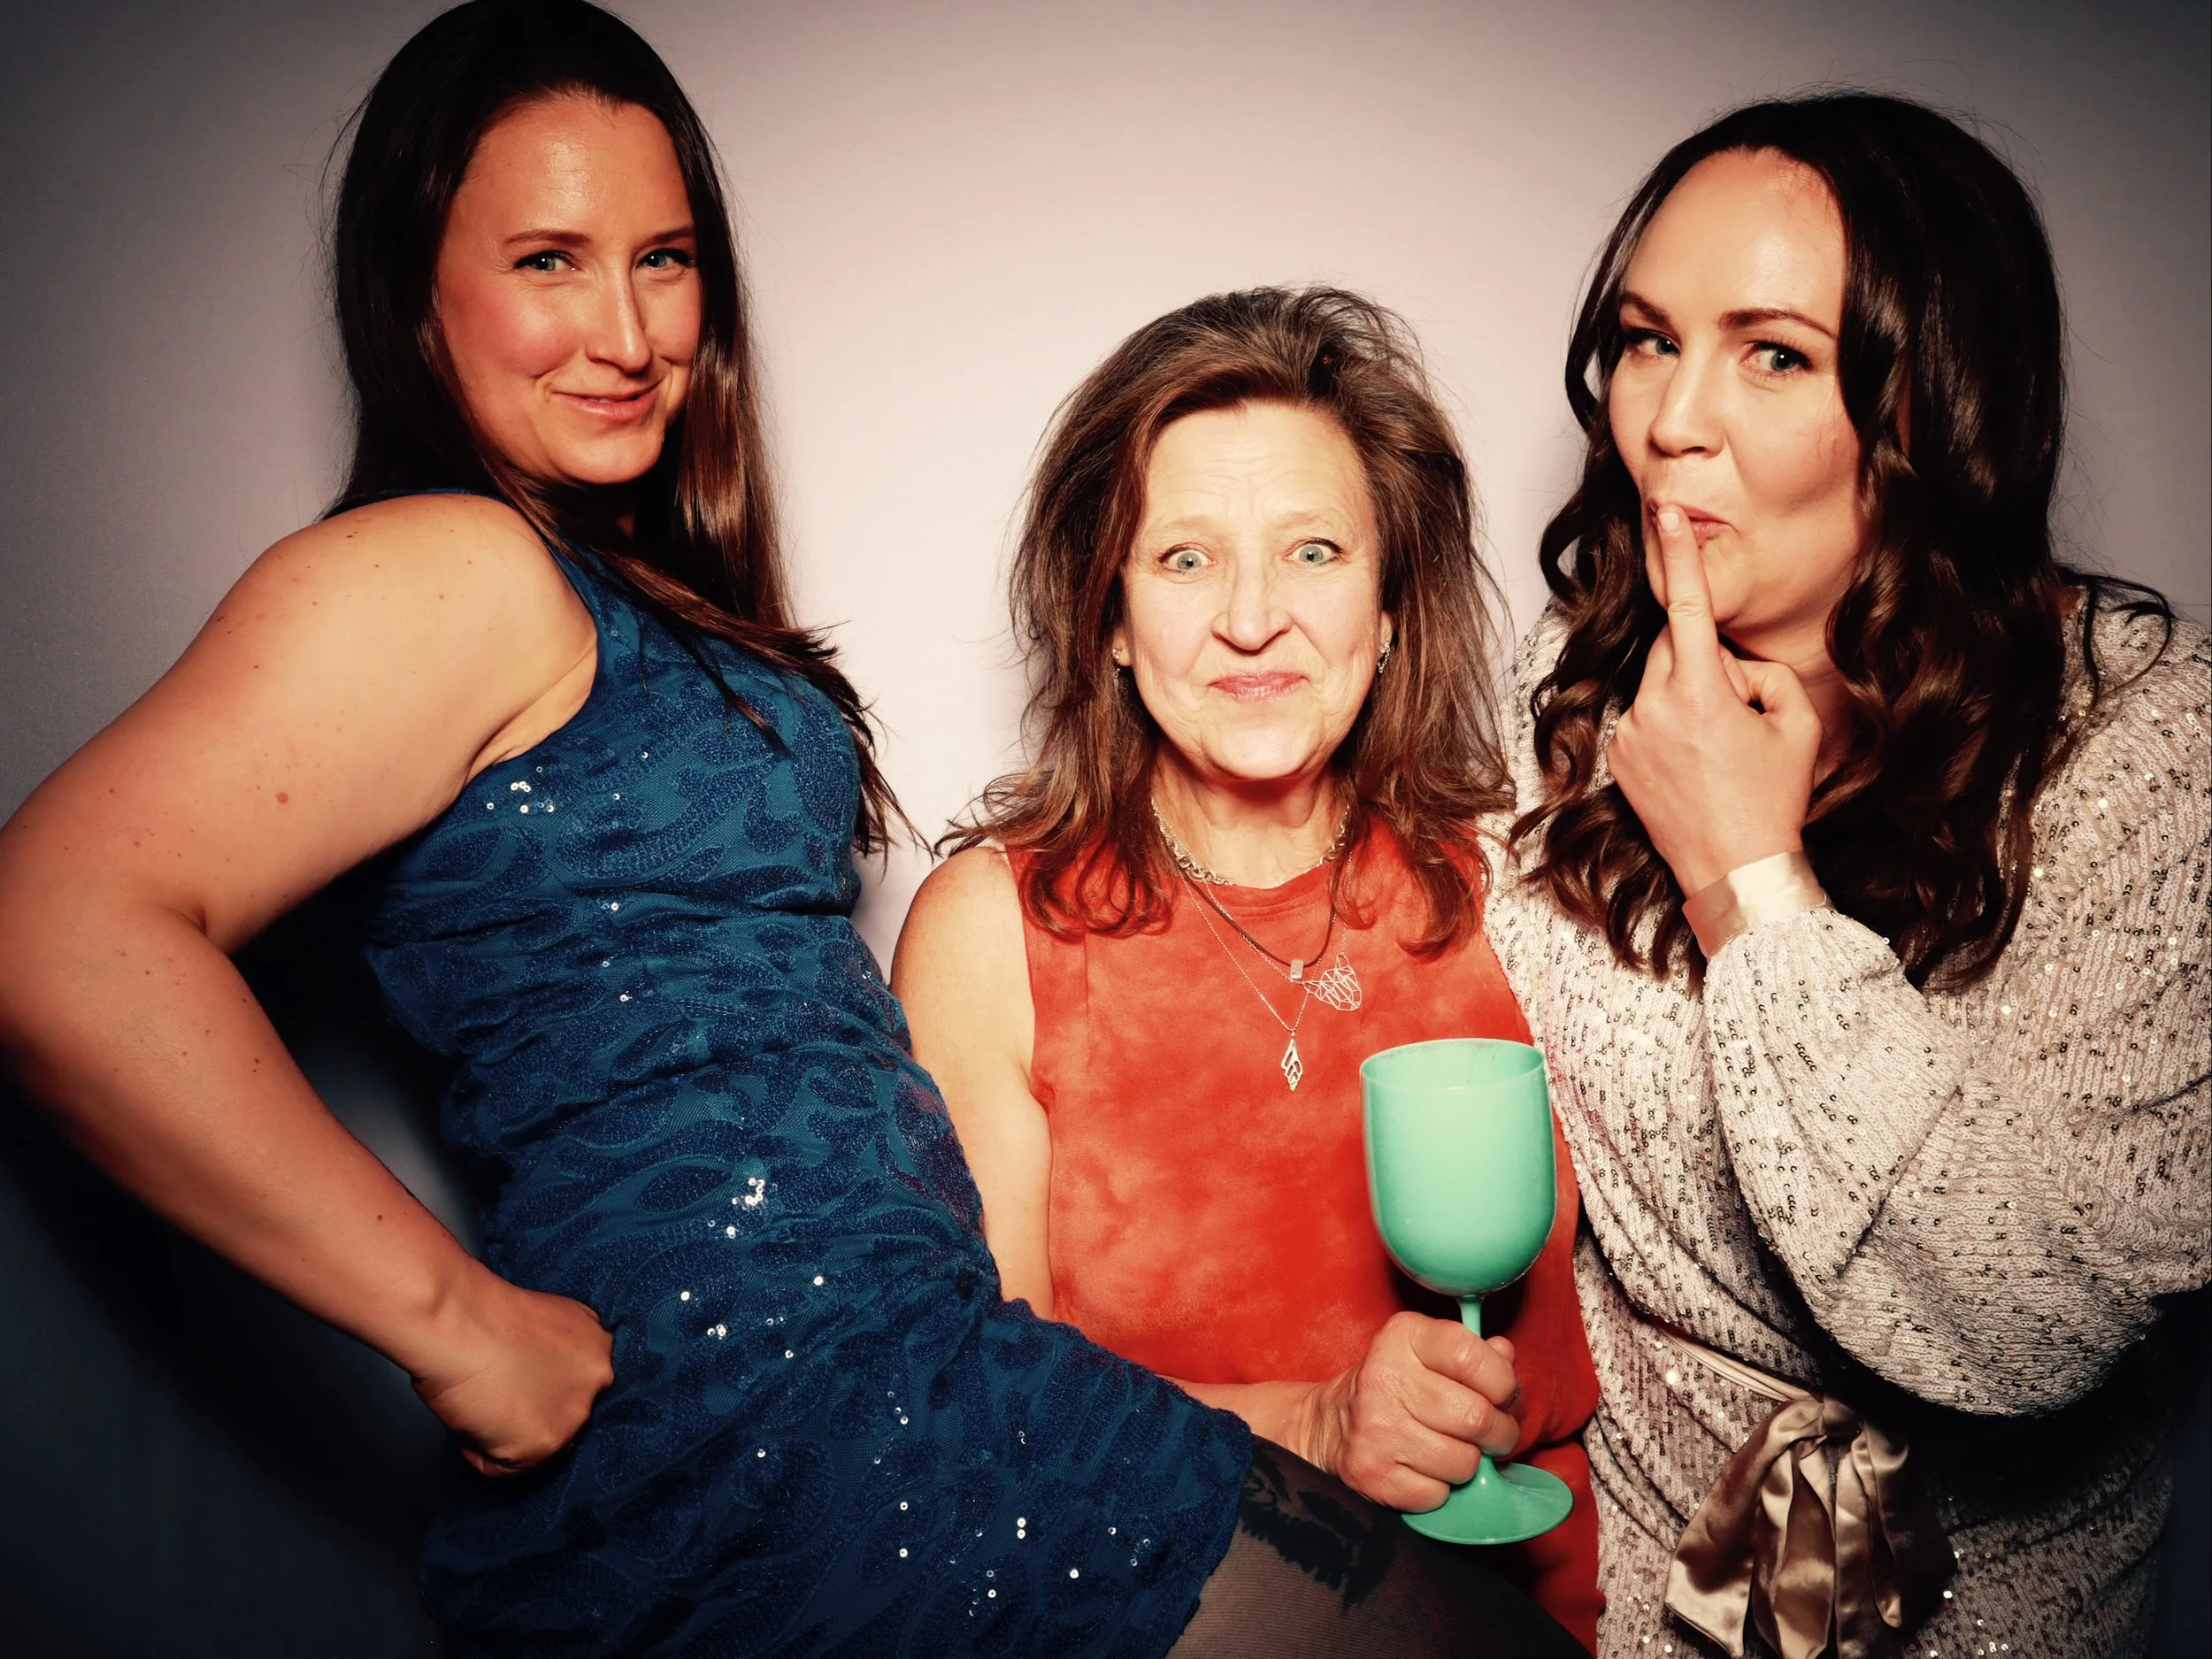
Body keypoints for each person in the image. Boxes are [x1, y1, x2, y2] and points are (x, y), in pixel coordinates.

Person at [0, 5, 1592, 1655]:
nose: (626, 330)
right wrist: (454, 1321)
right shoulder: (452, 565)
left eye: (665, 260)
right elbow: (57, 927)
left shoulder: (612, 585)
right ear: (417, 292)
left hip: (924, 1387)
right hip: (783, 1423)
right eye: (548, 262)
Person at [1486, 91, 2209, 1659]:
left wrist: (1748, 875)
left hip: (1986, 1610)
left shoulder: (2153, 750)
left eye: (1773, 354)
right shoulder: (1572, 677)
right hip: (1601, 1577)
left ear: (1938, 405)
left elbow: (2028, 1316)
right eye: (1647, 339)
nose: (1672, 420)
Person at [895, 287, 1602, 1649]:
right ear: (1109, 616)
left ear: (1390, 607)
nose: (1253, 618)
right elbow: (981, 1418)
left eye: (1314, 550)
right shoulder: (993, 931)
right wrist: (1317, 1426)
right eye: (1185, 559)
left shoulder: (1521, 884)